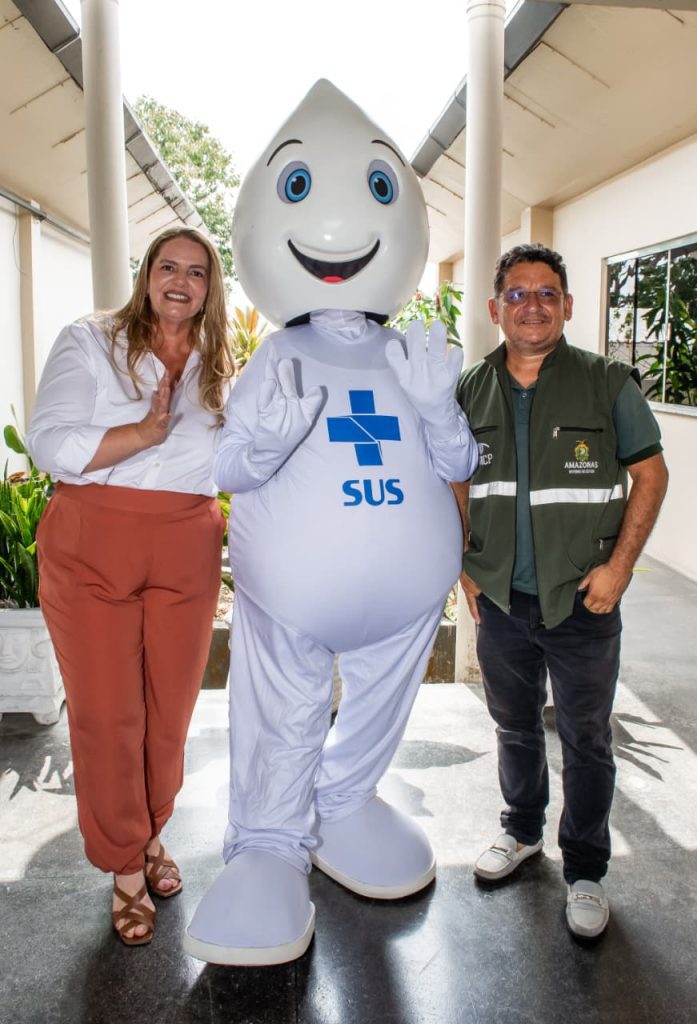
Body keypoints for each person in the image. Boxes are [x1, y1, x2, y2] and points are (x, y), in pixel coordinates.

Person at [183, 79, 479, 967]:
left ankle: (345, 799)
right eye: (298, 188)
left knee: (381, 705)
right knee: (282, 708)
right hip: (293, 602)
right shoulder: (275, 356)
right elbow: (226, 468)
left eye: (379, 190)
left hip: (405, 603)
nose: (343, 224)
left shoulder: (412, 350)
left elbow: (457, 462)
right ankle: (269, 843)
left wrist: (439, 409)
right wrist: (266, 441)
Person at [453, 243, 668, 939]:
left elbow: (651, 474)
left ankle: (585, 869)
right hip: (500, 599)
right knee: (514, 726)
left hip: (583, 599)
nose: (531, 306)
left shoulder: (606, 382)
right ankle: (521, 831)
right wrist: (461, 563)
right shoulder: (469, 389)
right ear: (496, 308)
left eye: (546, 293)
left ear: (567, 305)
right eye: (516, 294)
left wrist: (620, 568)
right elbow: (452, 480)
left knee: (585, 737)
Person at [27, 226, 233, 946]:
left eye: (196, 272)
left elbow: (238, 459)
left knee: (168, 710)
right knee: (108, 713)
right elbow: (48, 442)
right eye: (167, 266)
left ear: (210, 288)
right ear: (146, 274)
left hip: (186, 544)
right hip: (94, 539)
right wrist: (143, 433)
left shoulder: (219, 364)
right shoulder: (92, 341)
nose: (180, 281)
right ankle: (124, 865)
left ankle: (149, 832)